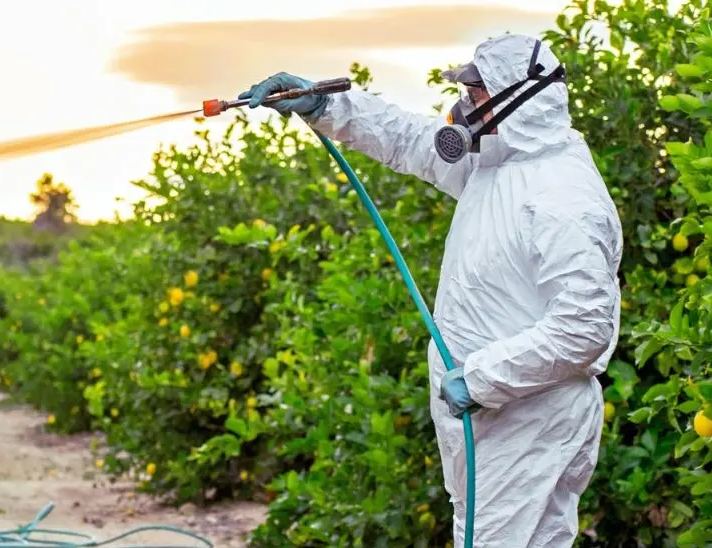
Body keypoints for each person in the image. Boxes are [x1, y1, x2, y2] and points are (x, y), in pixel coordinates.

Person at [240, 34, 623, 546]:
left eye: (476, 95)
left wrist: (481, 378)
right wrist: (328, 105)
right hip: (498, 423)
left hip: (528, 423)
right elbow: (407, 138)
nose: (463, 106)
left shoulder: (561, 196)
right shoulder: (498, 166)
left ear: (520, 96)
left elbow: (584, 329)